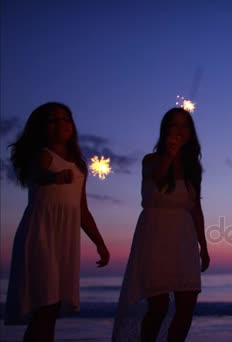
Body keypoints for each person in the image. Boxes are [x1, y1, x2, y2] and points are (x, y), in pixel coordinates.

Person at [4, 102, 111, 341]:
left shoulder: (79, 166)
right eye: (53, 120)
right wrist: (54, 176)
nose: (61, 123)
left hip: (65, 238)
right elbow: (39, 175)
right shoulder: (42, 156)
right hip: (41, 233)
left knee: (52, 310)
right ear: (41, 128)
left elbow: (82, 210)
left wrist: (100, 243)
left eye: (66, 119)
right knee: (44, 306)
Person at [112, 107, 210, 342]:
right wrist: (170, 154)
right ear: (165, 130)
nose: (179, 130)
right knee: (158, 304)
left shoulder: (193, 168)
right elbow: (158, 177)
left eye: (185, 125)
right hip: (155, 234)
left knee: (187, 302)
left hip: (184, 237)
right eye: (174, 125)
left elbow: (196, 207)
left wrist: (203, 246)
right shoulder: (152, 160)